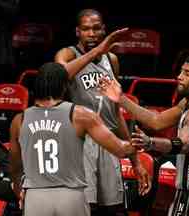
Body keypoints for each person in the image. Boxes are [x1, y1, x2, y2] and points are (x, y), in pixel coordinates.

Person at [99, 54, 189, 216]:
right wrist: (120, 98)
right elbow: (156, 121)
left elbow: (182, 144)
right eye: (181, 72)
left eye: (187, 74)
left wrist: (150, 142)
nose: (179, 77)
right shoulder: (188, 104)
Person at [9, 62, 140, 216]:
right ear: (65, 86)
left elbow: (15, 168)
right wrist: (147, 142)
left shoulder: (20, 120)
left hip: (36, 196)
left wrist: (19, 191)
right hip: (71, 196)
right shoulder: (80, 115)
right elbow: (121, 150)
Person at [54, 9, 150, 215]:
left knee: (112, 208)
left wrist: (135, 161)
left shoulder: (112, 60)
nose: (92, 33)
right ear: (77, 31)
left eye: (96, 28)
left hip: (108, 139)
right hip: (80, 141)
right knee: (84, 207)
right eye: (86, 29)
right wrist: (96, 52)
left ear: (104, 30)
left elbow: (115, 112)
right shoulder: (67, 54)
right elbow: (58, 76)